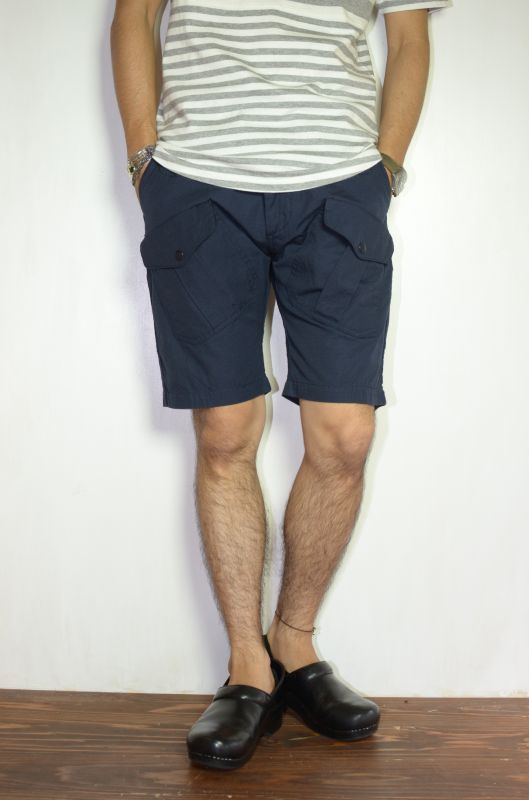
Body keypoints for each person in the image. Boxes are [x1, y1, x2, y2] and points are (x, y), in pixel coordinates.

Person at [110, 0, 453, 770]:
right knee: (225, 433)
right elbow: (134, 14)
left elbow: (407, 37)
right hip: (197, 179)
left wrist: (385, 165)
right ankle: (247, 665)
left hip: (339, 184)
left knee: (345, 435)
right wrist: (142, 161)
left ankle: (293, 643)